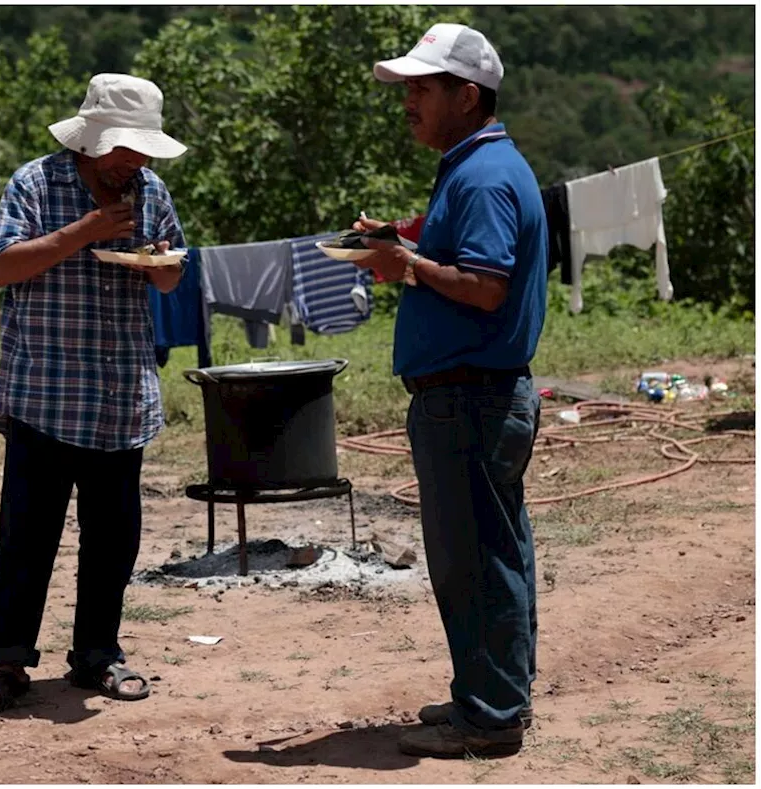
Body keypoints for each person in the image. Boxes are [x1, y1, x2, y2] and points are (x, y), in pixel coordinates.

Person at [352, 23, 546, 758]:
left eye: (422, 88)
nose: (408, 100)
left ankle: (490, 716)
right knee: (495, 549)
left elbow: (486, 287)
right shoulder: (475, 166)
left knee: (475, 558)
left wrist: (407, 263)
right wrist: (402, 237)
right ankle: (493, 691)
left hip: (470, 397)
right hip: (478, 396)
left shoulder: (485, 175)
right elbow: (459, 253)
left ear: (467, 96)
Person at [0, 73, 188, 715]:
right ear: (91, 141)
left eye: (144, 151)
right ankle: (8, 662)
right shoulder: (35, 182)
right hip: (46, 394)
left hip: (121, 397)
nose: (137, 163)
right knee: (28, 539)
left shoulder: (151, 190)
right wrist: (84, 233)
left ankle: (97, 655)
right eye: (127, 150)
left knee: (113, 539)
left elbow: (171, 276)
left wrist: (164, 264)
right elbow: (1, 267)